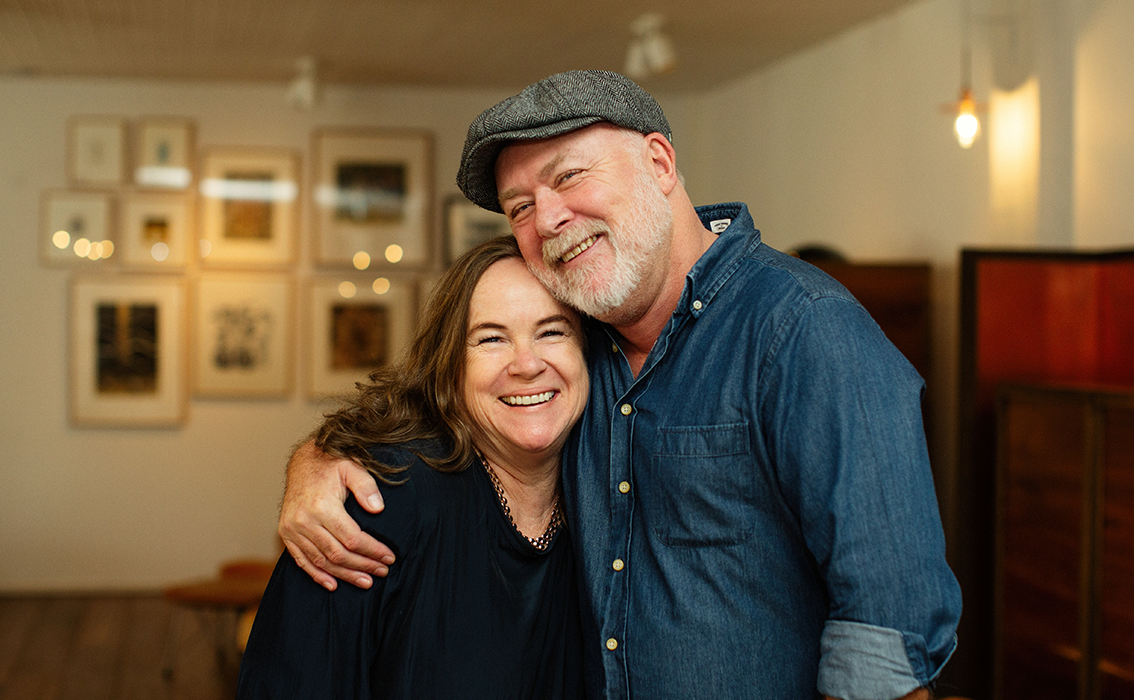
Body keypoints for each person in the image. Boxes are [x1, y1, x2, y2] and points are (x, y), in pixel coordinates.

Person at [278, 70, 961, 700]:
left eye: (569, 176)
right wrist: (315, 461)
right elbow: (436, 396)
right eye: (520, 206)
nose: (547, 220)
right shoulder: (578, 341)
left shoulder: (804, 331)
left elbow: (885, 641)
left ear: (660, 163)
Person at [237, 236, 589, 699]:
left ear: (590, 352)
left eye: (552, 331)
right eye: (491, 339)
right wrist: (316, 457)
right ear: (451, 368)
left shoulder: (609, 496)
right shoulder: (378, 503)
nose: (526, 364)